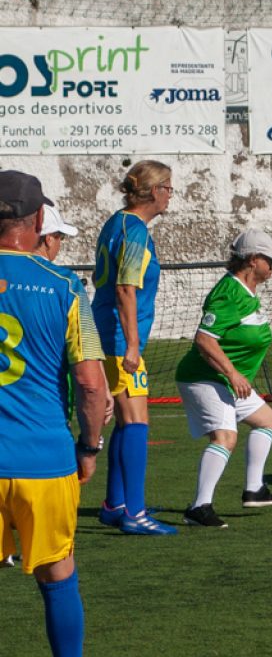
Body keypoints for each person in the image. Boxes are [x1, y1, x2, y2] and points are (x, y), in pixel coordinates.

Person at [0, 170, 108, 657]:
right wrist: (88, 448)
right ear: (39, 220)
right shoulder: (64, 287)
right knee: (58, 577)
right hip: (42, 459)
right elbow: (91, 384)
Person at [174, 229, 272, 527]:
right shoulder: (228, 293)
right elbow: (204, 340)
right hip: (204, 378)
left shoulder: (247, 293)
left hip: (227, 380)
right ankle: (199, 507)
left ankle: (254, 489)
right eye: (269, 259)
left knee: (267, 419)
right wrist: (234, 373)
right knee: (225, 438)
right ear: (252, 260)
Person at [91, 160, 177, 536]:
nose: (171, 195)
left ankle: (115, 504)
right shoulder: (136, 230)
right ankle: (135, 514)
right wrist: (132, 345)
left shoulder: (116, 221)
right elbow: (126, 288)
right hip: (117, 337)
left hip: (106, 330)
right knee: (137, 421)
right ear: (155, 191)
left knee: (127, 421)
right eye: (169, 187)